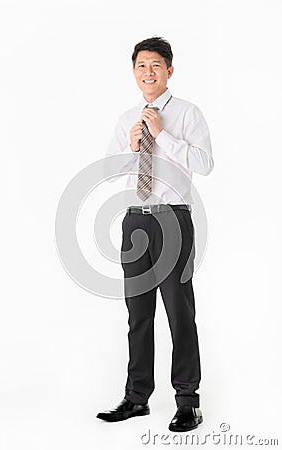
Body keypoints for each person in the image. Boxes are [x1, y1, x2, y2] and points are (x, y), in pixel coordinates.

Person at [97, 36, 214, 432]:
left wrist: (161, 135)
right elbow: (112, 174)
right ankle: (136, 398)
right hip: (135, 221)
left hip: (172, 219)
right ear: (134, 72)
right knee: (138, 314)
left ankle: (187, 400)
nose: (148, 72)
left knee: (180, 313)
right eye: (141, 65)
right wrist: (130, 148)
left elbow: (205, 163)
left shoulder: (186, 113)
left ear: (169, 70)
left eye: (156, 65)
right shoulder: (125, 118)